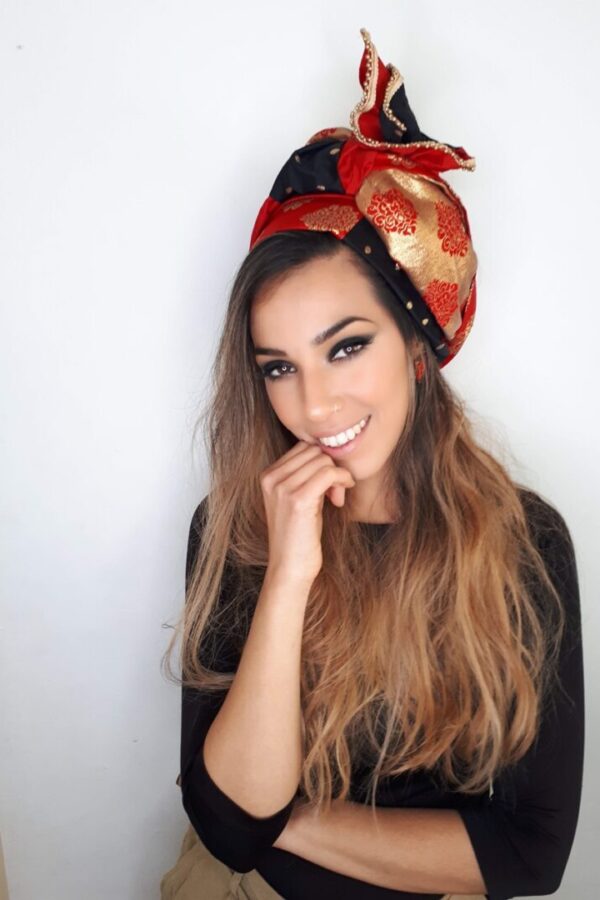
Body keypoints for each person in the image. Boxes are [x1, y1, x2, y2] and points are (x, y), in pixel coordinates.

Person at [160, 28, 584, 900]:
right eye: (278, 367)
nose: (314, 407)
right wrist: (289, 577)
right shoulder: (235, 527)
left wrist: (281, 820)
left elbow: (530, 858)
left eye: (346, 347)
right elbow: (227, 834)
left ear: (418, 348)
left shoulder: (525, 541)